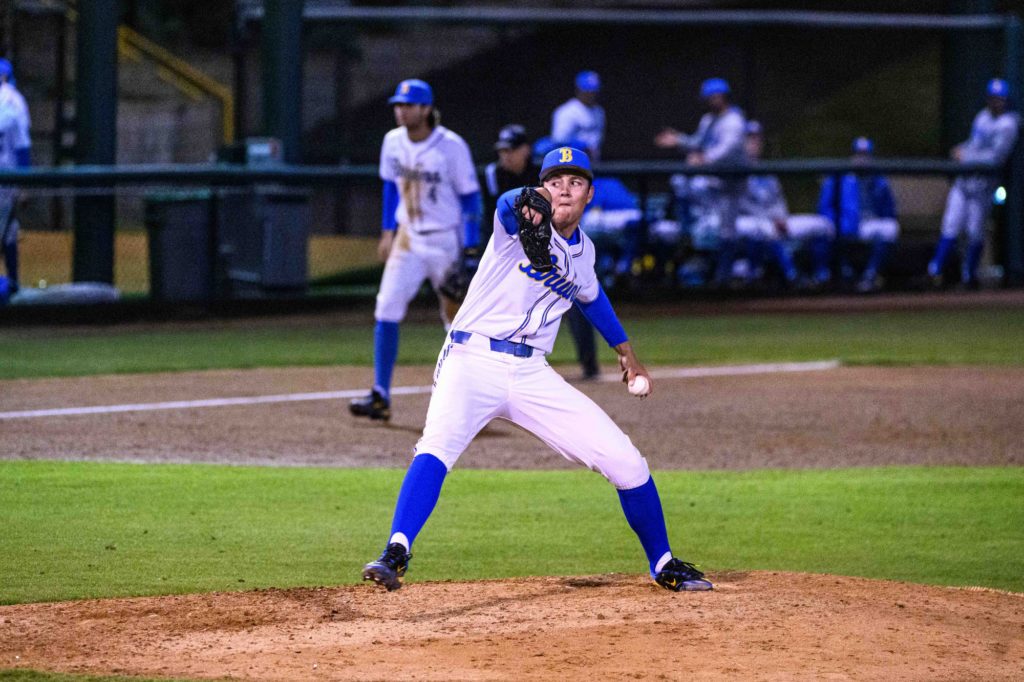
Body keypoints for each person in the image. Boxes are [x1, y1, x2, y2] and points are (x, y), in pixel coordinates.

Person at [361, 146, 712, 593]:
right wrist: (527, 200)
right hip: (473, 360)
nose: (564, 189)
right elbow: (508, 205)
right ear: (542, 187)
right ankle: (396, 550)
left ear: (590, 195)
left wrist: (625, 350)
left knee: (626, 460)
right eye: (555, 182)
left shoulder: (584, 252)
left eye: (575, 182)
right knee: (436, 447)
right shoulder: (516, 223)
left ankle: (663, 562)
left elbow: (591, 297)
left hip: (532, 373)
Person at [349, 79, 481, 421]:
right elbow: (391, 188)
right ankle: (380, 395)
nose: (401, 110)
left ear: (425, 109)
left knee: (457, 320)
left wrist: (470, 247)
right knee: (386, 309)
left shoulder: (451, 146)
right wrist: (386, 232)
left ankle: (470, 400)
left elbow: (470, 197)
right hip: (408, 237)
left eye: (408, 105)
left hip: (445, 239)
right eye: (398, 105)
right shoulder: (392, 142)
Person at [928, 77, 1020, 288]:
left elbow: (996, 158)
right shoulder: (982, 117)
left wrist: (966, 156)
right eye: (993, 98)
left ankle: (969, 277)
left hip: (983, 185)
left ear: (1006, 101)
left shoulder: (1008, 124)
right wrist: (961, 149)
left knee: (974, 231)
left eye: (1000, 99)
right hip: (964, 182)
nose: (996, 102)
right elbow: (974, 144)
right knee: (950, 225)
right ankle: (934, 272)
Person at [655, 77, 747, 286]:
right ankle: (686, 233)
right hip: (713, 181)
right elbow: (698, 143)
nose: (711, 101)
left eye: (714, 96)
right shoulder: (709, 120)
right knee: (681, 183)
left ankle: (724, 277)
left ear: (724, 96)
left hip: (731, 183)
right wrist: (679, 140)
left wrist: (704, 159)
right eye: (708, 97)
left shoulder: (734, 120)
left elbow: (726, 150)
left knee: (727, 230)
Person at [735, 121, 833, 287]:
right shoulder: (735, 170)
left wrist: (781, 218)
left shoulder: (767, 171)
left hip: (777, 220)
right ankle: (792, 276)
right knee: (764, 230)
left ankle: (822, 277)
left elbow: (779, 200)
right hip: (750, 222)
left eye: (757, 138)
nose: (754, 143)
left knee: (823, 225)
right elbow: (740, 205)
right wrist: (773, 219)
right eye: (749, 138)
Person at [817, 137, 899, 293]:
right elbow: (825, 207)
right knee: (829, 228)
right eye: (858, 154)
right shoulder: (839, 178)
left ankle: (870, 275)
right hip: (844, 224)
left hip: (869, 224)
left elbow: (889, 211)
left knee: (890, 228)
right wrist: (835, 220)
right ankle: (836, 276)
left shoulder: (879, 181)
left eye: (865, 155)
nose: (862, 159)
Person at [0, 58, 31, 297]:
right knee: (7, 231)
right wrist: (24, 182)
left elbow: (22, 146)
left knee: (7, 231)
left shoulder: (12, 99)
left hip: (6, 176)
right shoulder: (15, 100)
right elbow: (23, 146)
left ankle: (12, 285)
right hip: (7, 176)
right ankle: (13, 284)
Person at [483, 124, 540, 243]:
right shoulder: (493, 173)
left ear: (525, 149)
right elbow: (491, 214)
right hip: (504, 233)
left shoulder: (540, 171)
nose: (505, 156)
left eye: (510, 150)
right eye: (502, 151)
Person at [551, 70, 605, 161]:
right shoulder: (567, 111)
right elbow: (558, 141)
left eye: (594, 91)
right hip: (570, 163)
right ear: (579, 90)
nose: (591, 94)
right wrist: (581, 147)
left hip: (592, 162)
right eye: (587, 91)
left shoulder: (599, 111)